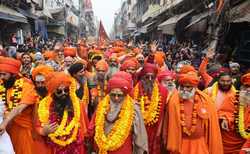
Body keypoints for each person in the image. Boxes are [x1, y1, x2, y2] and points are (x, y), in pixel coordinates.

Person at [88, 73, 148, 154]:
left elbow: (140, 136)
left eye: (119, 95)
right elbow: (92, 128)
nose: (116, 98)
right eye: (113, 95)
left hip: (123, 150)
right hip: (101, 149)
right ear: (109, 93)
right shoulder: (102, 105)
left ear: (125, 94)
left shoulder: (134, 108)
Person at [167, 70, 224, 154]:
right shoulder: (173, 100)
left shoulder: (205, 100)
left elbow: (212, 124)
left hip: (199, 144)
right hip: (180, 143)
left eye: (188, 87)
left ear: (194, 87)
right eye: (182, 87)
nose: (184, 89)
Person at [35, 72, 87, 154]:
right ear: (52, 92)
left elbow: (84, 126)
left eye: (66, 90)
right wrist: (44, 131)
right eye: (59, 91)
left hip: (75, 146)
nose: (63, 93)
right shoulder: (44, 106)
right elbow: (37, 126)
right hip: (53, 148)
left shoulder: (78, 104)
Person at [0, 56, 37, 154]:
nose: (1, 77)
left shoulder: (27, 86)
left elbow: (19, 108)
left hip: (22, 132)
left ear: (13, 74)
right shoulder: (3, 84)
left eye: (4, 74)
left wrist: (5, 122)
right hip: (5, 132)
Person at [132, 62, 168, 154]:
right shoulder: (134, 92)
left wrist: (160, 130)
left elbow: (164, 113)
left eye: (152, 77)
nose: (150, 79)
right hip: (139, 128)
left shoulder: (163, 91)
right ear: (142, 77)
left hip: (155, 129)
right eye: (147, 77)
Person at [218, 72, 250, 154]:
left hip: (247, 142)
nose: (249, 89)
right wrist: (225, 118)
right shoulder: (232, 97)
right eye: (247, 86)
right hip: (229, 140)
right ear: (242, 87)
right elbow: (223, 112)